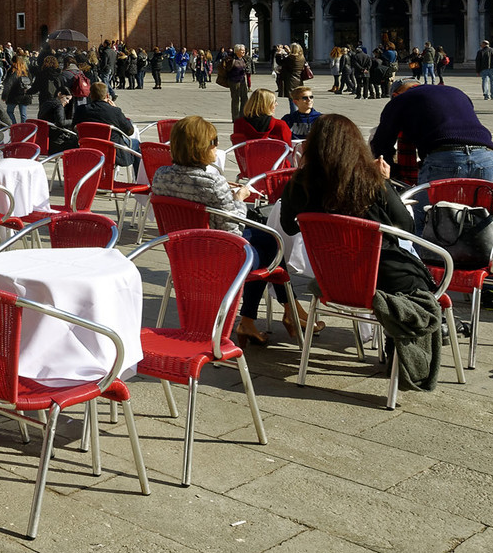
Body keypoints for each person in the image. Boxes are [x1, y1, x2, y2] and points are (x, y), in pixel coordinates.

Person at [280, 114, 444, 389]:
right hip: (385, 276)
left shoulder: (300, 182)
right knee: (423, 285)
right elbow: (404, 225)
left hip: (332, 280)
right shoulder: (370, 178)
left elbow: (288, 226)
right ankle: (400, 351)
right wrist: (386, 182)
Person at [152, 113, 290, 346]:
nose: (217, 147)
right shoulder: (212, 182)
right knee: (269, 244)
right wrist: (238, 196)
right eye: (213, 142)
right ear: (201, 147)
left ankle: (263, 317)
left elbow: (192, 190)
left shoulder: (160, 176)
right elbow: (232, 226)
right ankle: (276, 313)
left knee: (264, 240)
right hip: (219, 255)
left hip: (182, 253)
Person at [369, 77, 493, 185]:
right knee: (483, 210)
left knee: (426, 211)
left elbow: (381, 144)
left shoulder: (400, 100)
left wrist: (392, 171)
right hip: (486, 156)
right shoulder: (456, 92)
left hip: (446, 157)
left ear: (395, 95)